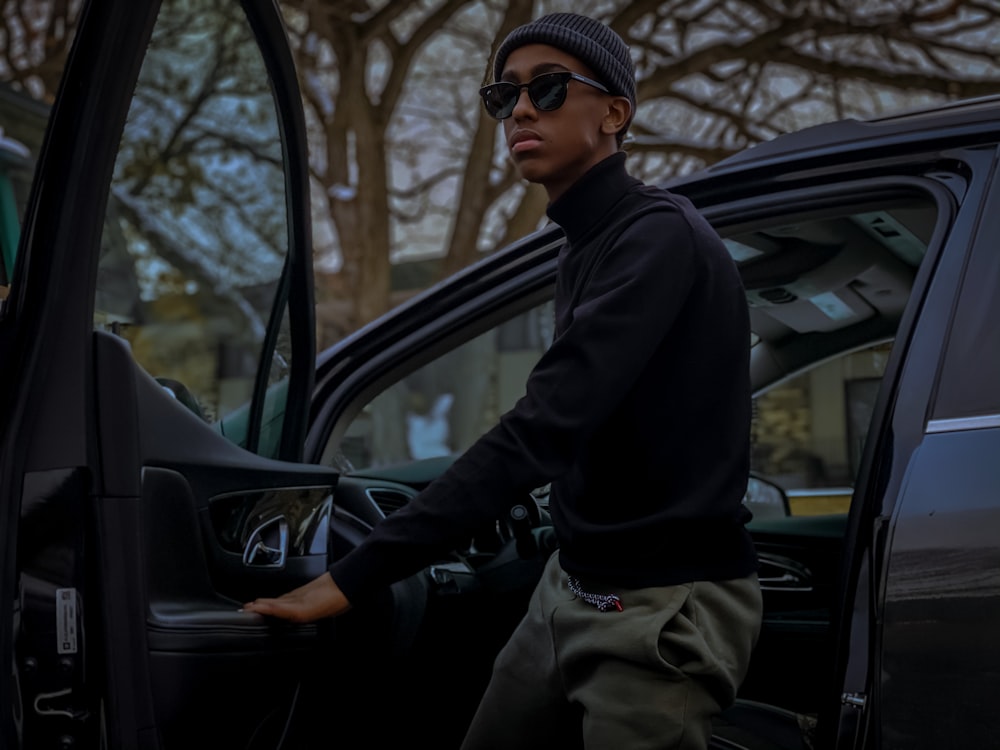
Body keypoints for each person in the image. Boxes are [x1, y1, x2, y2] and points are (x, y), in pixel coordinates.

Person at [244, 12, 762, 749]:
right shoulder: (587, 243)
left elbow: (546, 426)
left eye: (547, 88)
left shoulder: (656, 237)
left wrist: (354, 576)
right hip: (574, 584)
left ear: (615, 113)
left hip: (656, 605)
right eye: (503, 96)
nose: (519, 109)